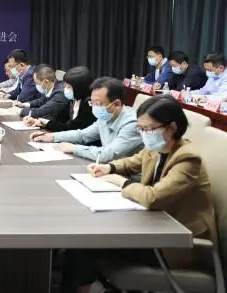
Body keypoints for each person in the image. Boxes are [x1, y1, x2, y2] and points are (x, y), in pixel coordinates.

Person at [62, 95, 215, 293]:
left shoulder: (187, 158)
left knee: (83, 245)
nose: (143, 134)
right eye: (140, 129)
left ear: (171, 128)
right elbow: (131, 162)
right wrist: (108, 167)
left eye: (148, 129)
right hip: (153, 226)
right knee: (82, 242)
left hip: (176, 243)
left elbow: (153, 197)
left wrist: (123, 182)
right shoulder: (157, 147)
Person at [31, 77, 143, 162]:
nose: (94, 107)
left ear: (117, 104)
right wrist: (52, 137)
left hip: (128, 177)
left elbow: (108, 154)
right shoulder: (107, 115)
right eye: (92, 103)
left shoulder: (132, 124)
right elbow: (83, 135)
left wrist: (73, 148)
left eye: (97, 103)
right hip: (108, 168)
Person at [28, 66, 95, 132]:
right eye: (65, 85)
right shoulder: (73, 99)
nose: (64, 88)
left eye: (68, 87)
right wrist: (40, 121)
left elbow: (71, 128)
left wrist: (46, 123)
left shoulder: (88, 104)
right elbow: (59, 119)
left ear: (79, 88)